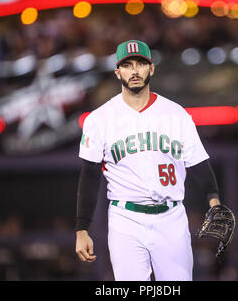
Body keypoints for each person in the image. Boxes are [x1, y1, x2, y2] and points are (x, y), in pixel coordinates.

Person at [75, 40, 221, 281]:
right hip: (126, 218)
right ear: (117, 72)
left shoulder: (176, 114)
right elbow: (89, 176)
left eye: (140, 64)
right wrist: (82, 228)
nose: (134, 71)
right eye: (127, 65)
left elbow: (198, 165)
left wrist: (214, 202)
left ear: (151, 69)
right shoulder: (99, 119)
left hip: (171, 217)